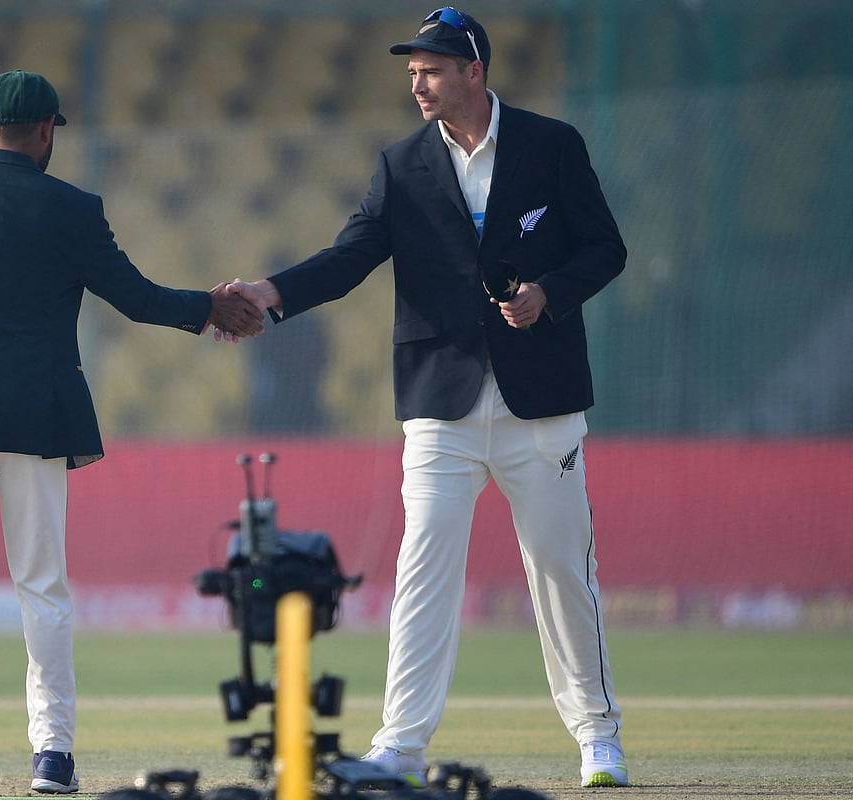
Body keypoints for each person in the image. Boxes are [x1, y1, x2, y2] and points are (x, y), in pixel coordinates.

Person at [223, 7, 628, 789]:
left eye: (432, 69)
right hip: (439, 404)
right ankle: (401, 746)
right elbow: (350, 257)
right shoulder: (402, 163)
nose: (417, 82)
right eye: (412, 70)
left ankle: (597, 737)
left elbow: (605, 248)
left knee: (561, 574)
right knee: (423, 571)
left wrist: (549, 292)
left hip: (538, 406)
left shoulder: (552, 145)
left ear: (474, 71)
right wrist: (270, 294)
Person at [0, 69, 263, 796]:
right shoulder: (72, 207)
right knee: (41, 585)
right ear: (47, 131)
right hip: (37, 414)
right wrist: (211, 307)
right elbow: (138, 299)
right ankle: (52, 754)